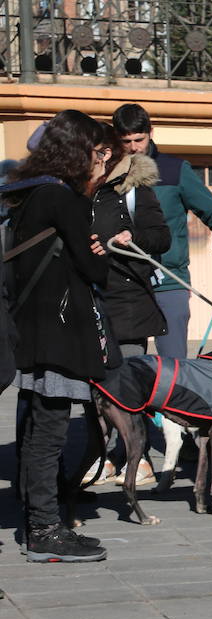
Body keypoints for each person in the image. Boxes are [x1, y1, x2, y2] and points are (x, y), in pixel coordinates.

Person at [3, 111, 114, 561]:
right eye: (98, 151)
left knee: (36, 429)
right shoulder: (65, 198)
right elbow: (94, 270)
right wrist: (97, 246)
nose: (102, 160)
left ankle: (39, 522)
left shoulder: (27, 194)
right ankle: (45, 529)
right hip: (60, 333)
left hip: (30, 329)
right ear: (79, 151)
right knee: (48, 432)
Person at [87, 126, 171, 485]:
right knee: (95, 390)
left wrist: (129, 237)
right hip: (91, 302)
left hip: (130, 302)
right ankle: (101, 457)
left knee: (129, 387)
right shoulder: (79, 192)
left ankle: (139, 459)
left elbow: (160, 238)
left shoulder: (135, 190)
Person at [112, 104, 212, 362]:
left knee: (173, 367)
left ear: (151, 132)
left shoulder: (175, 169)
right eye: (126, 141)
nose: (133, 147)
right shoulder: (108, 173)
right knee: (126, 370)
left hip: (169, 280)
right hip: (124, 284)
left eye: (139, 139)